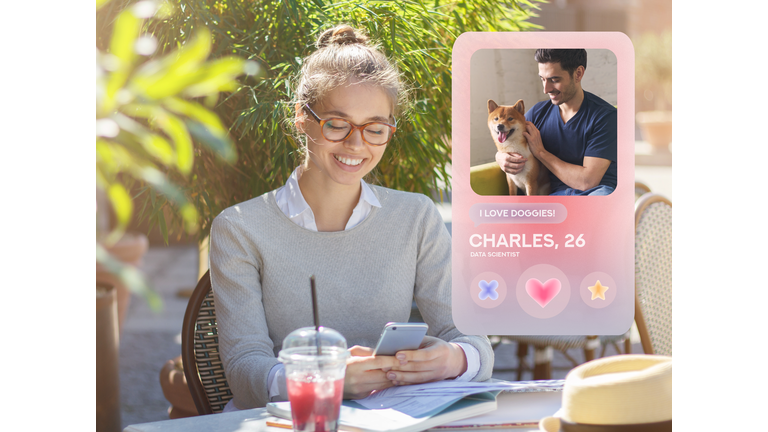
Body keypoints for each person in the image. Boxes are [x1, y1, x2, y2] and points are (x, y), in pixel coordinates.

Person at [209, 24, 494, 411]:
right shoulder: (240, 228)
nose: (356, 144)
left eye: (375, 128)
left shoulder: (415, 217)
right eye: (337, 124)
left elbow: (472, 341)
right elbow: (244, 370)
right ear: (301, 117)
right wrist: (325, 381)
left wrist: (453, 358)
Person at [495, 49, 617, 196]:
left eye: (554, 80)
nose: (546, 89)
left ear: (578, 74)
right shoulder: (537, 114)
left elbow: (587, 182)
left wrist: (541, 153)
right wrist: (500, 157)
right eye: (542, 79)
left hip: (595, 194)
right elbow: (510, 142)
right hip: (555, 197)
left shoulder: (605, 117)